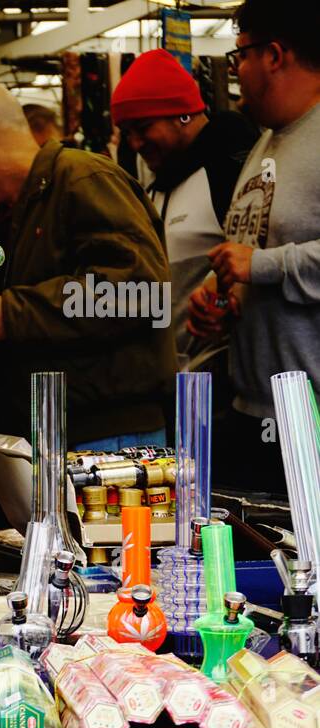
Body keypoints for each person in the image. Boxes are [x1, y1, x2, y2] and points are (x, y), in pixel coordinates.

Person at [0, 81, 174, 450]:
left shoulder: (84, 179)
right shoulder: (14, 211)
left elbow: (140, 291)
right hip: (52, 431)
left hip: (107, 437)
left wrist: (12, 314)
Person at [187, 0, 320, 495]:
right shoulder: (265, 143)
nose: (236, 71)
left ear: (274, 55)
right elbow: (249, 245)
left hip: (311, 420)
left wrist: (261, 267)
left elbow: (260, 260)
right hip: (252, 410)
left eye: (239, 55)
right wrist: (218, 297)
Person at [112, 49, 258, 369]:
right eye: (127, 133)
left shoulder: (231, 171)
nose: (135, 143)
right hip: (174, 376)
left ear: (182, 115)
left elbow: (261, 262)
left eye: (143, 127)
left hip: (224, 378)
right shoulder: (160, 182)